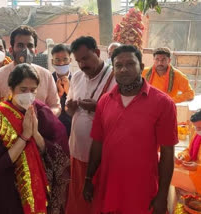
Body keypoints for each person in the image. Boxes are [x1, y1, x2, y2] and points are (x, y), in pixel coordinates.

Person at [83, 45, 178, 214]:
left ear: (141, 67)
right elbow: (97, 143)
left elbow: (167, 152)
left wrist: (162, 195)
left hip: (141, 188)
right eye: (118, 65)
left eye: (130, 64)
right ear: (113, 69)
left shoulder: (163, 103)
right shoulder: (105, 101)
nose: (124, 69)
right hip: (108, 184)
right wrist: (89, 178)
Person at [0, 63, 69, 214]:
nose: (29, 95)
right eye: (23, 90)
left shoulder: (41, 111)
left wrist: (35, 134)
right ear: (11, 89)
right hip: (7, 193)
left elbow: (56, 153)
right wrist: (24, 136)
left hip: (38, 189)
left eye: (33, 90)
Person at [65, 36, 116, 214]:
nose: (82, 65)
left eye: (85, 58)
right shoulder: (77, 77)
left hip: (100, 157)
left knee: (95, 202)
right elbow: (70, 112)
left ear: (97, 52)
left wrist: (97, 108)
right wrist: (70, 108)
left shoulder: (115, 77)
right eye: (78, 60)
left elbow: (121, 117)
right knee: (78, 201)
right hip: (76, 151)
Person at [0, 25, 61, 115]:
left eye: (30, 46)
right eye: (20, 45)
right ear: (11, 50)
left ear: (35, 51)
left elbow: (56, 106)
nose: (25, 50)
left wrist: (43, 120)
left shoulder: (46, 75)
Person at [173, 108, 201, 213]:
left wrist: (197, 168)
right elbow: (189, 151)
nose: (197, 130)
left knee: (168, 174)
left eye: (200, 127)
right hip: (194, 170)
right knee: (167, 167)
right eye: (195, 127)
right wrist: (183, 157)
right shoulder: (199, 134)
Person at [51, 44, 72, 136]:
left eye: (65, 59)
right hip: (53, 127)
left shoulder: (78, 79)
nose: (61, 63)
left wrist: (69, 92)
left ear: (70, 60)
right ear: (52, 61)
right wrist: (58, 94)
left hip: (73, 128)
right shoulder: (48, 79)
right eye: (57, 60)